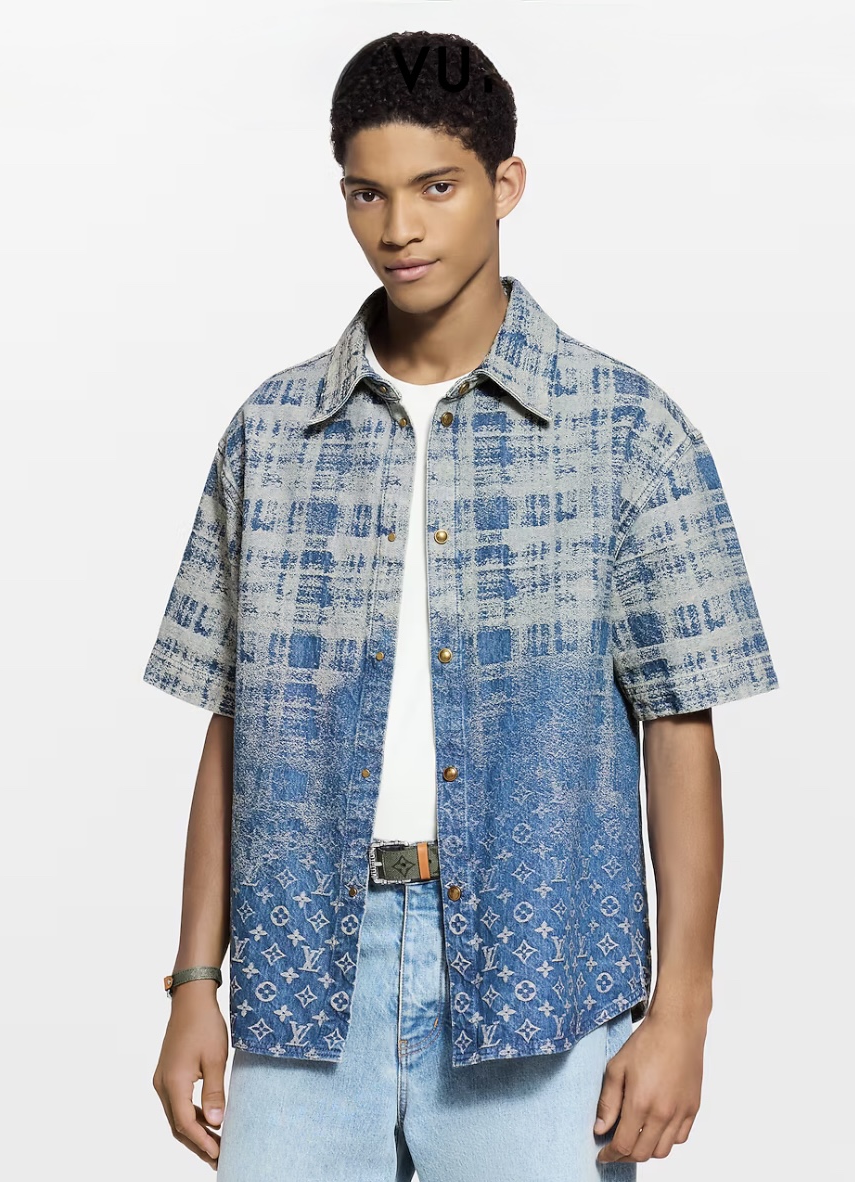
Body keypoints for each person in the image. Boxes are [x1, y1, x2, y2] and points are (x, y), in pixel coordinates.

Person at [144, 30, 778, 1181]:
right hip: (300, 985)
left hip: (545, 985)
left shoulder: (625, 430)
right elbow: (234, 724)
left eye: (436, 188)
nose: (400, 227)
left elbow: (681, 732)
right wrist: (196, 981)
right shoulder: (271, 435)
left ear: (505, 184)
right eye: (368, 193)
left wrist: (682, 1008)